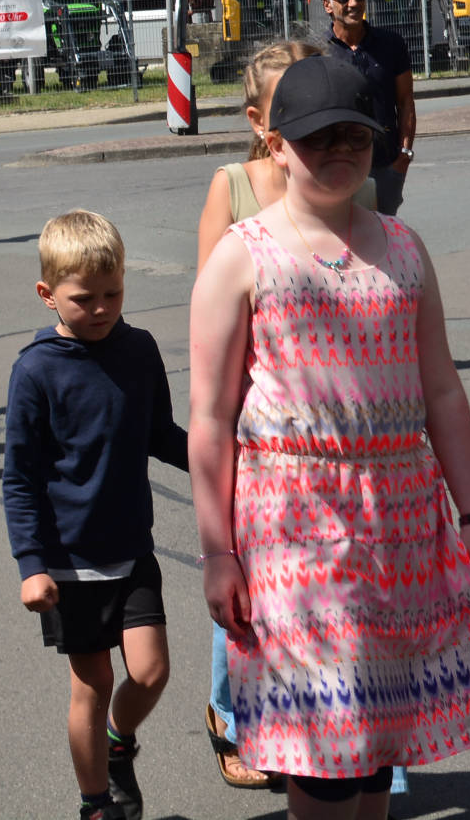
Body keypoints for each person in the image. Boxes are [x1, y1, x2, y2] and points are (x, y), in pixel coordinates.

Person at [188, 56, 470, 818]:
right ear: (277, 144)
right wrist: (217, 552)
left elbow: (442, 389)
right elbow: (209, 416)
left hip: (400, 516)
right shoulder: (243, 253)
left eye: (355, 136)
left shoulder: (404, 246)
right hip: (292, 520)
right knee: (324, 742)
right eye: (318, 137)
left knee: (376, 741)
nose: (339, 150)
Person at [190, 40, 374, 794]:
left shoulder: (351, 188)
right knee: (248, 593)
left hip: (342, 436)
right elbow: (212, 307)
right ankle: (234, 712)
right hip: (260, 428)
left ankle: (363, 749)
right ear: (263, 121)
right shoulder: (235, 187)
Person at [3, 211, 188, 820]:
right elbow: (20, 479)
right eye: (84, 298)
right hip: (69, 562)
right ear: (48, 293)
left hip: (131, 547)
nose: (102, 308)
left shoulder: (139, 350)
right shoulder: (36, 370)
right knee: (94, 683)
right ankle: (95, 803)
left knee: (151, 671)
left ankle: (117, 742)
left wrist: (224, 463)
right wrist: (32, 565)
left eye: (114, 293)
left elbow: (161, 434)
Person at [318, 0, 416, 216]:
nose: (354, 3)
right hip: (336, 166)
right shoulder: (318, 52)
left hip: (385, 167)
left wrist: (403, 156)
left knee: (383, 232)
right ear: (328, 5)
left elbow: (405, 102)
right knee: (340, 232)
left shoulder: (391, 44)